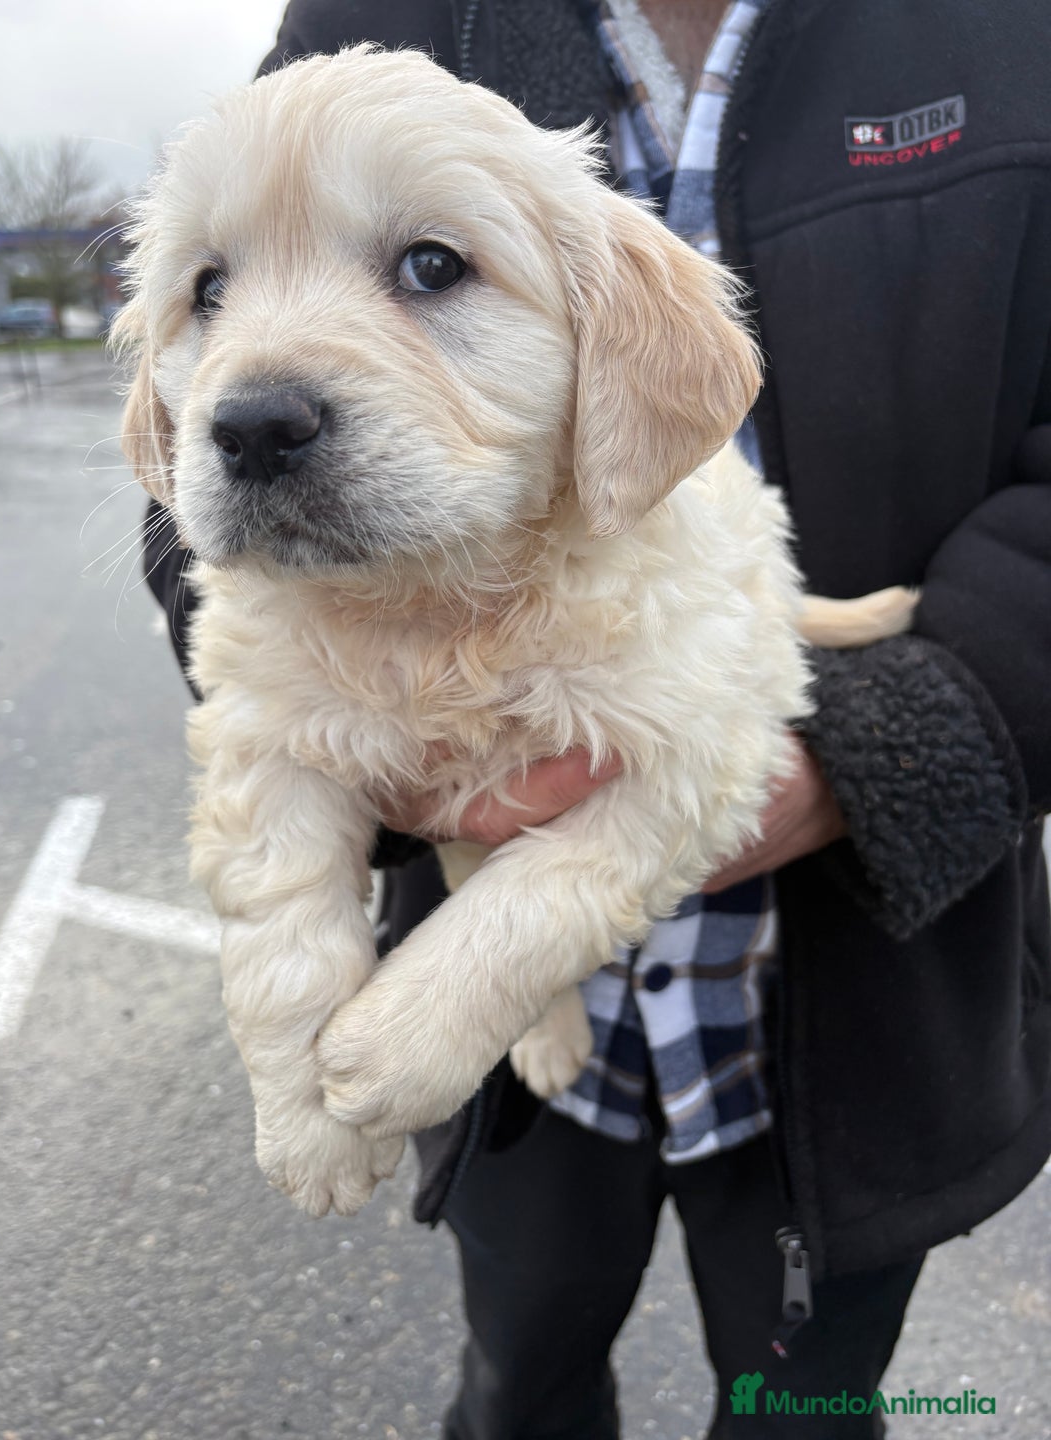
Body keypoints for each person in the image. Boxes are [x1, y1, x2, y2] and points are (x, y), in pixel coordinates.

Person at [140, 1, 1051, 1435]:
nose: (251, 389)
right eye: (209, 291)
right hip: (527, 1087)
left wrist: (894, 738)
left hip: (861, 994)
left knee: (804, 1408)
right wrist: (312, 946)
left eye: (427, 265)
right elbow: (211, 595)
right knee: (521, 1383)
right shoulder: (370, 16)